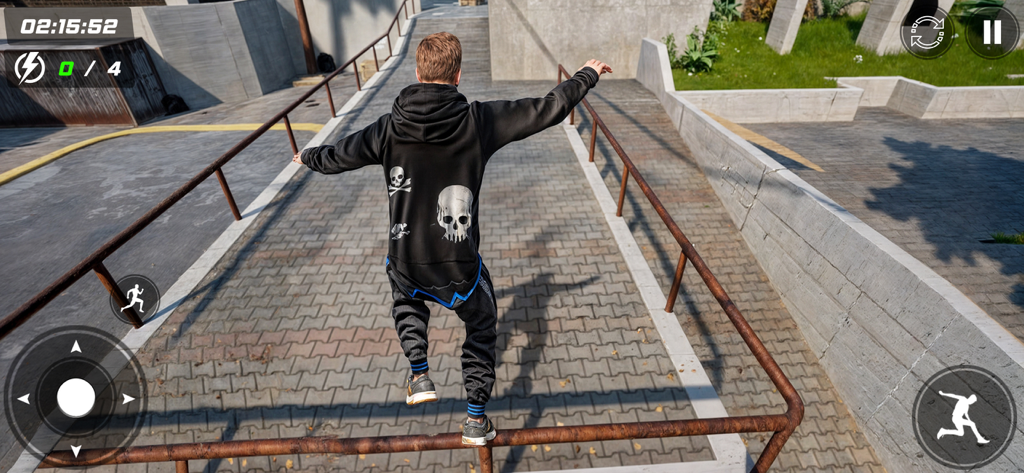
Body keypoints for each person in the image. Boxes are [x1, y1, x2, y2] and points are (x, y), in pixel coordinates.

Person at [293, 31, 611, 446]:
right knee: (481, 325)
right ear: (458, 75)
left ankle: (420, 372)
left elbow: (339, 156)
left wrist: (308, 157)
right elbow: (546, 109)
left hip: (405, 257)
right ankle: (476, 420)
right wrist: (587, 74)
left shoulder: (389, 128)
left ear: (418, 72)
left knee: (405, 297)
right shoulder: (479, 121)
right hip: (459, 264)